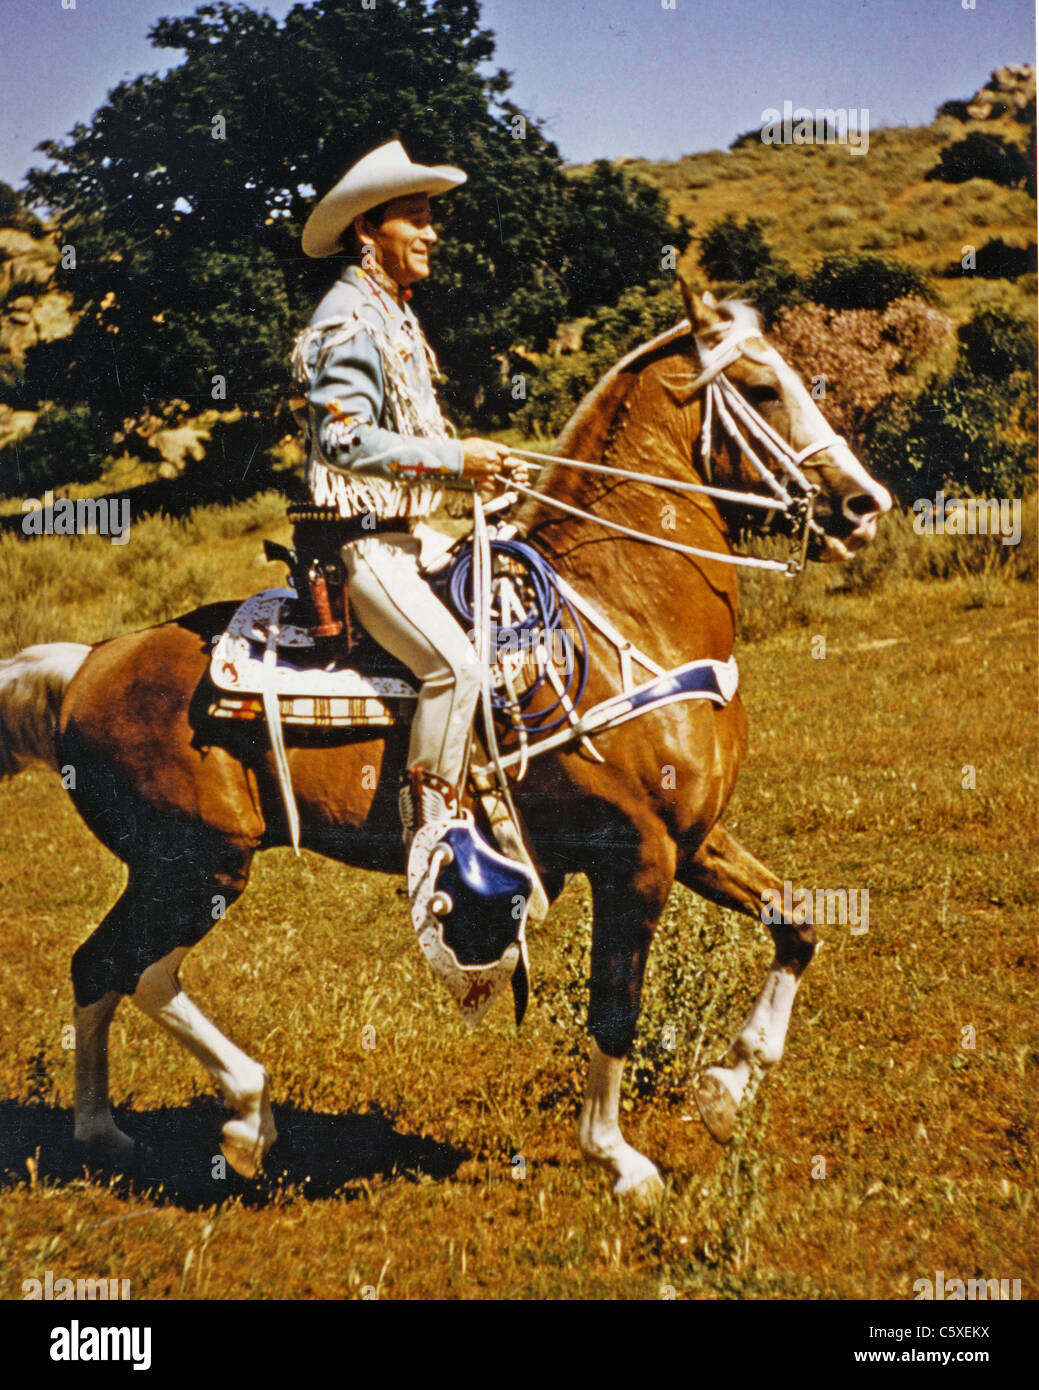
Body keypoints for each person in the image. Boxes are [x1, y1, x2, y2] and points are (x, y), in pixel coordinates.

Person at [292, 140, 522, 847]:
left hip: (405, 536)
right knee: (454, 668)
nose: (432, 232)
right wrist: (456, 459)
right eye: (416, 217)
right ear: (368, 229)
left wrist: (481, 470)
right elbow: (342, 439)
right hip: (362, 546)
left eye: (431, 218)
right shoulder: (350, 318)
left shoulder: (391, 312)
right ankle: (434, 831)